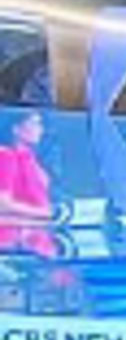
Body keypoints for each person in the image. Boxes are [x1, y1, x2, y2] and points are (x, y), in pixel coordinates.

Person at [0, 110, 63, 261]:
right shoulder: (6, 156)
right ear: (16, 129)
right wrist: (47, 214)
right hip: (16, 246)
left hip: (39, 241)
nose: (40, 129)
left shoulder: (29, 157)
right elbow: (3, 204)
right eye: (35, 123)